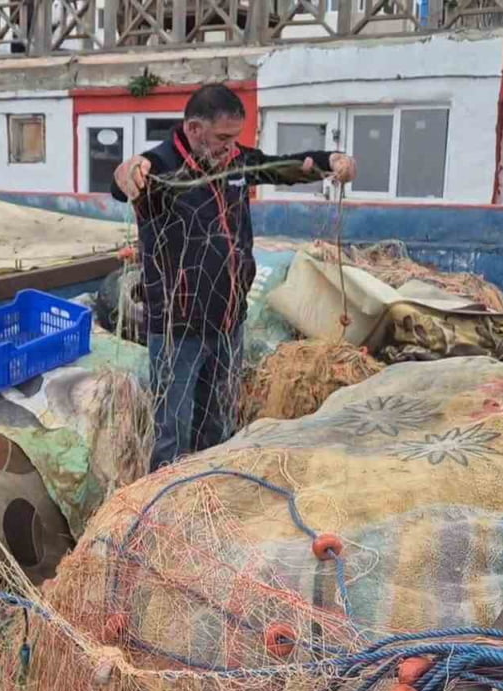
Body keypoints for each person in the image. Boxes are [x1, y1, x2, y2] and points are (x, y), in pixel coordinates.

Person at [111, 83, 356, 472]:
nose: (230, 147)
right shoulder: (160, 168)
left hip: (228, 322)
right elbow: (125, 179)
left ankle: (214, 492)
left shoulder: (238, 162)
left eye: (234, 138)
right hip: (178, 329)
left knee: (220, 423)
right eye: (222, 138)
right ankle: (166, 505)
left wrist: (331, 159)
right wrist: (126, 171)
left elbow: (285, 165)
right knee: (172, 430)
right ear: (193, 129)